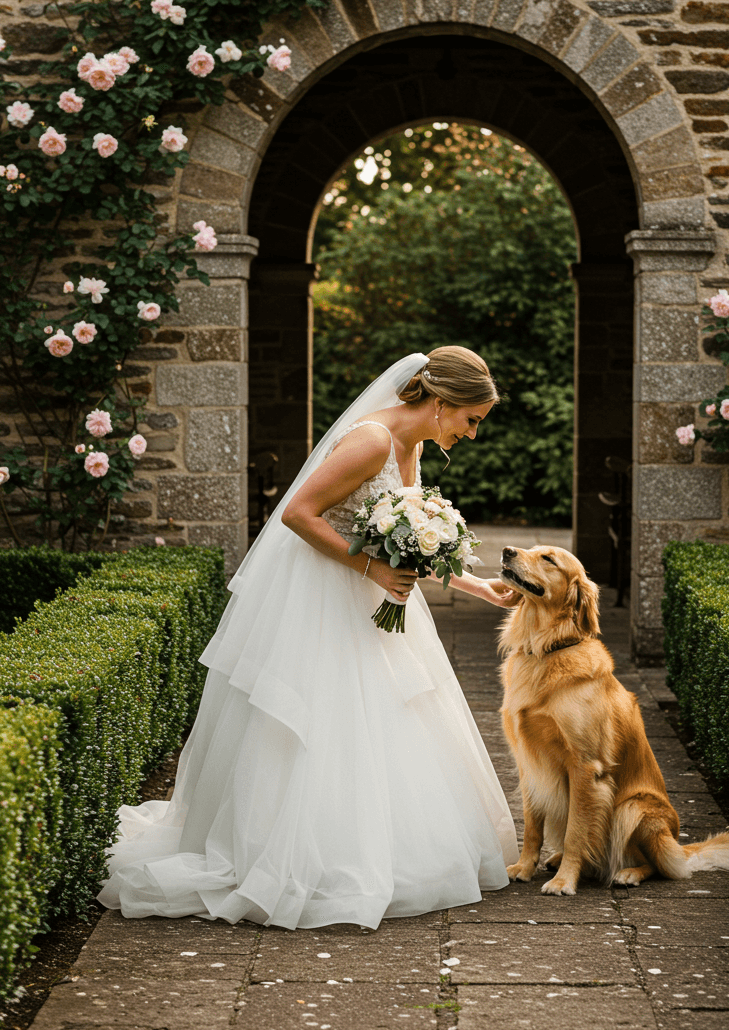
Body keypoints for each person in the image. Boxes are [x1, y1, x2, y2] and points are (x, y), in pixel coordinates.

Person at [97, 348, 520, 930]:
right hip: (326, 593)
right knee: (321, 721)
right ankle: (295, 856)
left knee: (384, 720)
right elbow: (298, 513)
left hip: (371, 597)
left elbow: (410, 538)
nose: (472, 433)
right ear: (442, 403)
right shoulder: (371, 440)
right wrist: (370, 569)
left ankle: (372, 846)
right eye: (471, 419)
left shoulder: (414, 444)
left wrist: (476, 585)